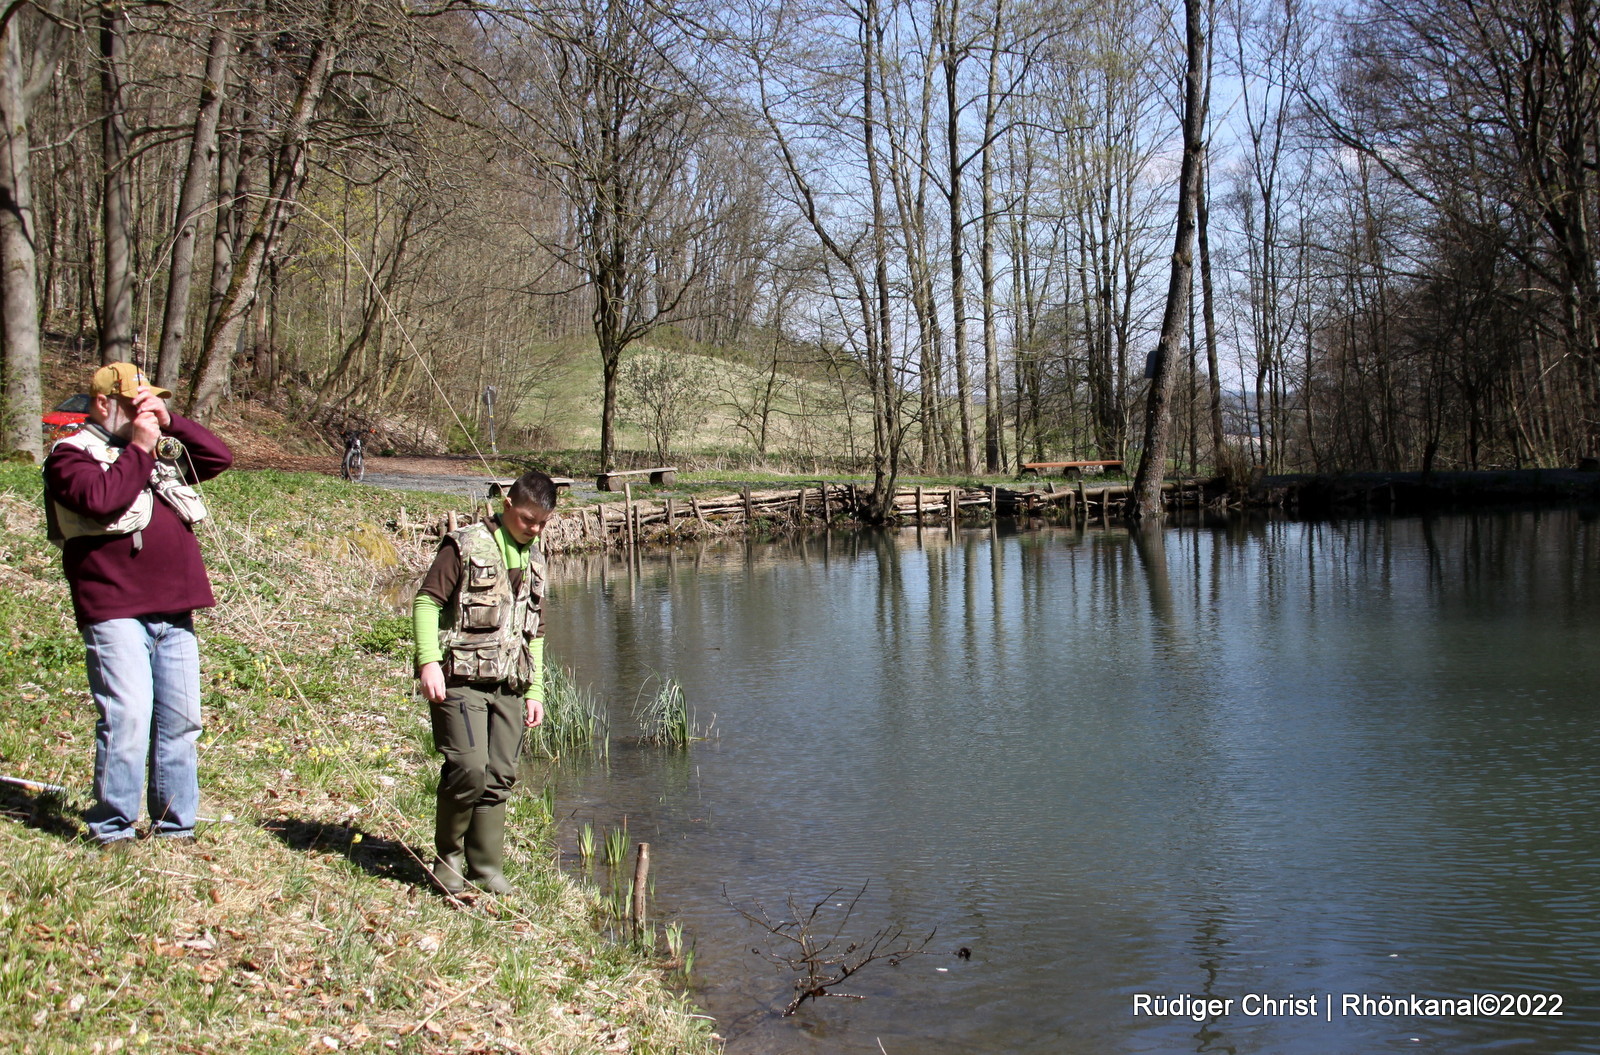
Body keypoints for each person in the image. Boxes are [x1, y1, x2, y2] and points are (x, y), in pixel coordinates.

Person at [42, 362, 233, 846]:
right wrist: (144, 447)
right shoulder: (70, 455)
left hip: (175, 610)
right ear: (104, 405)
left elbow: (217, 458)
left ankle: (175, 825)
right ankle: (112, 829)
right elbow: (100, 499)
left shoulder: (152, 448)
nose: (145, 412)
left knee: (181, 720)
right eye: (135, 403)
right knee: (126, 716)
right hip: (113, 609)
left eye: (151, 401)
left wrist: (170, 423)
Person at [412, 471, 555, 894]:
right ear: (508, 504)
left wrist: (536, 690)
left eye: (543, 523)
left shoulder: (537, 559)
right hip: (460, 680)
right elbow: (427, 602)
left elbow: (537, 631)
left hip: (511, 682)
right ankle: (448, 861)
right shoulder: (464, 545)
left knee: (499, 776)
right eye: (529, 520)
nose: (535, 529)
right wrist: (428, 662)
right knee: (468, 768)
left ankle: (487, 870)